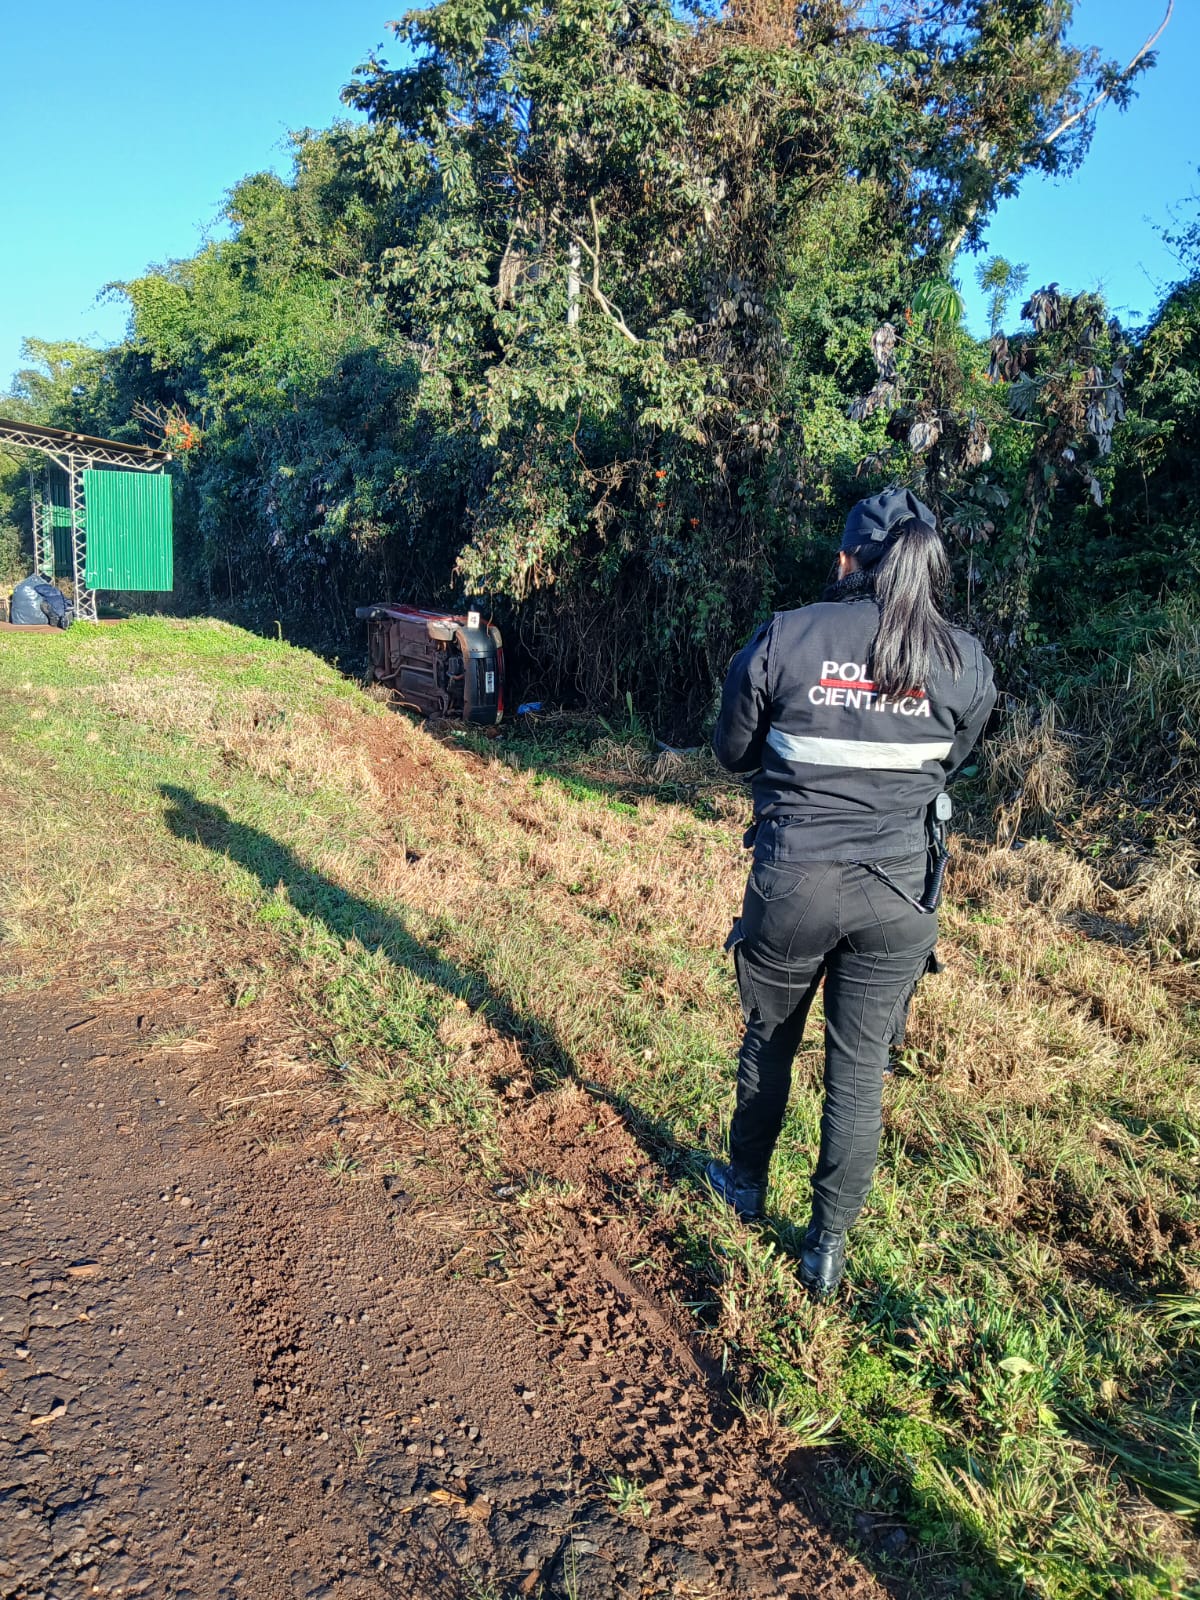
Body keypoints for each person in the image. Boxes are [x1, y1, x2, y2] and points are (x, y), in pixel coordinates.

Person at [705, 488, 996, 1296]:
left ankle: (745, 1189)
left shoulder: (790, 635)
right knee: (859, 1071)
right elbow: (954, 761)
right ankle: (825, 1251)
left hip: (795, 881)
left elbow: (732, 751)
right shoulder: (965, 660)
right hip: (899, 898)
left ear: (846, 560)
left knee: (770, 1037)